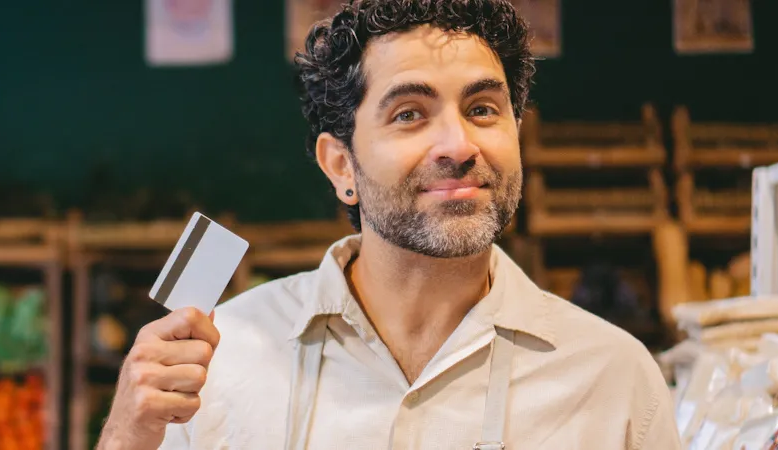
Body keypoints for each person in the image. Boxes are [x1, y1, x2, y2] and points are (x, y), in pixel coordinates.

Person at [96, 1, 681, 449]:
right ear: (341, 166)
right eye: (409, 114)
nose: (459, 145)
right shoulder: (216, 364)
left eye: (483, 109)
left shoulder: (616, 378)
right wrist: (124, 436)